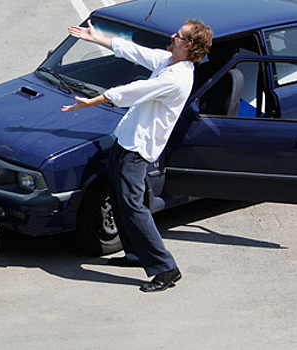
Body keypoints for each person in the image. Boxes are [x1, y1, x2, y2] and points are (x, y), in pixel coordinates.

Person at [62, 19, 212, 292]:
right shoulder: (168, 61)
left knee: (133, 206)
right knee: (121, 198)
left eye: (177, 35)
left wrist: (93, 101)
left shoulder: (176, 78)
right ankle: (134, 254)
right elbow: (133, 50)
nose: (172, 35)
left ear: (188, 45)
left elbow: (134, 90)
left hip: (138, 149)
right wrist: (96, 38)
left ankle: (166, 268)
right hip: (127, 140)